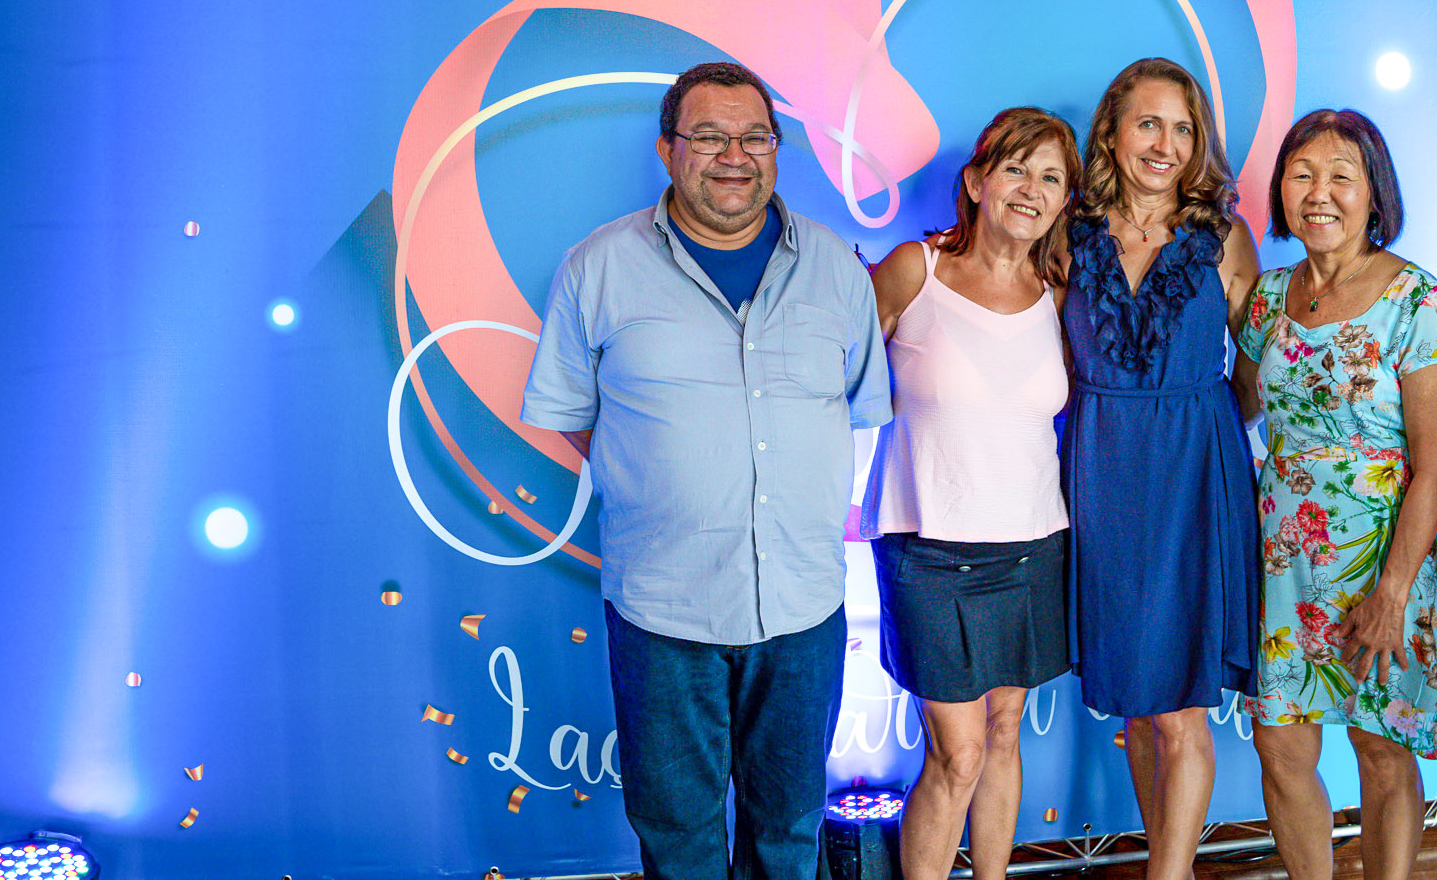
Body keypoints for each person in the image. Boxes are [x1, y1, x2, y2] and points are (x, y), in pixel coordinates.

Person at [521, 61, 893, 880]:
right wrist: (666, 476)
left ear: (776, 148)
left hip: (802, 609)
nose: (734, 156)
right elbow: (575, 416)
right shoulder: (598, 267)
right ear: (668, 149)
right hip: (664, 610)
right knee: (678, 837)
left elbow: (857, 403)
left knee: (787, 833)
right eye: (710, 136)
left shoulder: (836, 268)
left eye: (755, 137)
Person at [1232, 109, 1437, 879]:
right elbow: (1238, 407)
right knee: (1280, 744)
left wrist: (1393, 593)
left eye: (1341, 175)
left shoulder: (1419, 302)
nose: (1319, 193)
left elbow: (1434, 469)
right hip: (1284, 565)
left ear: (1375, 193)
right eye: (1301, 175)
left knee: (1381, 744)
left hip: (1383, 562)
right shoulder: (1267, 299)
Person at [860, 107, 1083, 880]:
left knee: (1005, 731)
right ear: (977, 181)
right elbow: (832, 372)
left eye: (1051, 178)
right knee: (956, 755)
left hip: (1032, 543)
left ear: (1063, 201)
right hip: (928, 544)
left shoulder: (1058, 291)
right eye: (1017, 168)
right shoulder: (914, 270)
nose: (1032, 189)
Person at [1061, 57, 1262, 879]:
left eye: (1184, 130)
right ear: (1112, 132)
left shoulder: (1224, 238)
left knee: (1181, 710)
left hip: (1195, 476)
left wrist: (1199, 423)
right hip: (1101, 473)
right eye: (1149, 123)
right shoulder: (1066, 234)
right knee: (1140, 705)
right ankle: (1161, 860)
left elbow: (1256, 371)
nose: (1166, 145)